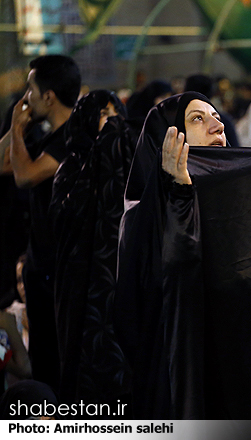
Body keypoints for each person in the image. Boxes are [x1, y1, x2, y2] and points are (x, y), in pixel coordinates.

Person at [114, 92, 251, 435]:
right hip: (192, 389)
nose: (217, 124)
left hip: (247, 384)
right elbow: (165, 296)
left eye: (216, 116)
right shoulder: (143, 214)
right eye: (197, 119)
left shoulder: (247, 199)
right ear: (165, 136)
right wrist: (179, 201)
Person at [0, 55, 81, 395]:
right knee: (45, 356)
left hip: (63, 270)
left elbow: (25, 175)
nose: (25, 99)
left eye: (30, 90)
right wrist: (17, 128)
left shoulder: (74, 139)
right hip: (42, 265)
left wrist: (18, 129)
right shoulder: (49, 138)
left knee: (58, 358)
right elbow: (3, 162)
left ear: (48, 96)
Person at [49, 90, 135, 406]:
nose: (112, 122)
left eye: (116, 114)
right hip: (81, 286)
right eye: (102, 114)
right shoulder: (72, 168)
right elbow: (64, 222)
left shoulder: (132, 165)